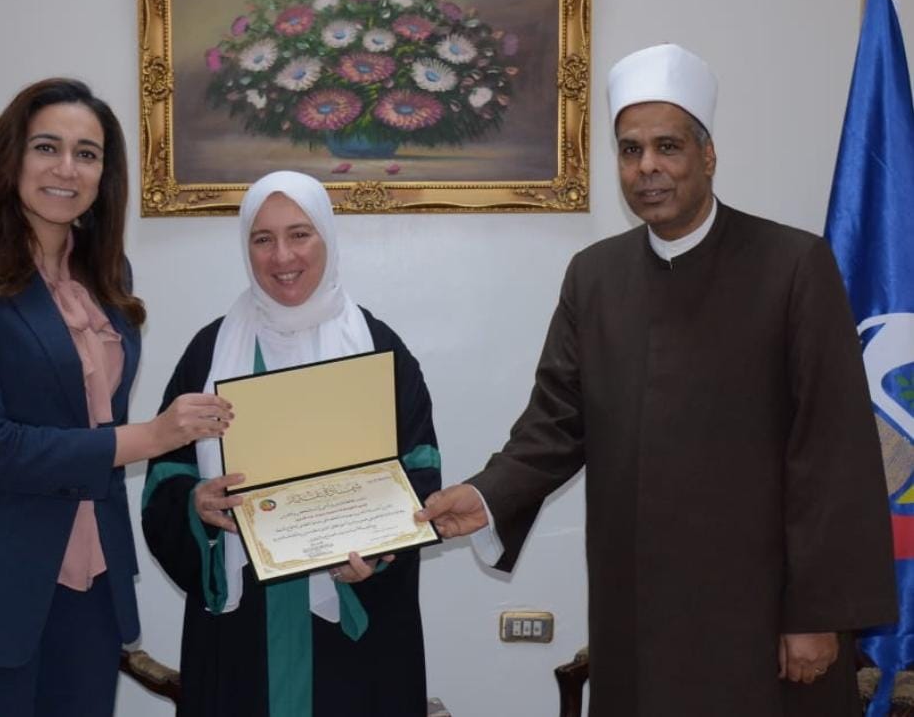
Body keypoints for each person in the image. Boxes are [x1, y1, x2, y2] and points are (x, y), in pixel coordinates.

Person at [417, 44, 897, 717]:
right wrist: (485, 496)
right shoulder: (595, 277)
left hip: (762, 614)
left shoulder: (793, 266)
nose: (647, 167)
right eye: (630, 150)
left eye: (667, 147)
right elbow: (555, 423)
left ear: (708, 155)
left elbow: (832, 450)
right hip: (637, 608)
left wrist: (816, 613)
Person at [0, 79, 232, 717]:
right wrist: (151, 437)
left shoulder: (108, 276)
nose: (66, 168)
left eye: (87, 153)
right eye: (46, 147)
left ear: (105, 174)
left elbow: (89, 417)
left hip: (90, 587)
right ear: (10, 155)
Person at [142, 170, 440, 717]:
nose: (282, 256)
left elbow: (421, 470)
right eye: (263, 239)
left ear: (326, 236)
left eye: (299, 234)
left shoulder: (378, 349)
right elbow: (165, 474)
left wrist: (378, 553)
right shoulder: (209, 353)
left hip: (353, 621)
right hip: (242, 626)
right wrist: (195, 503)